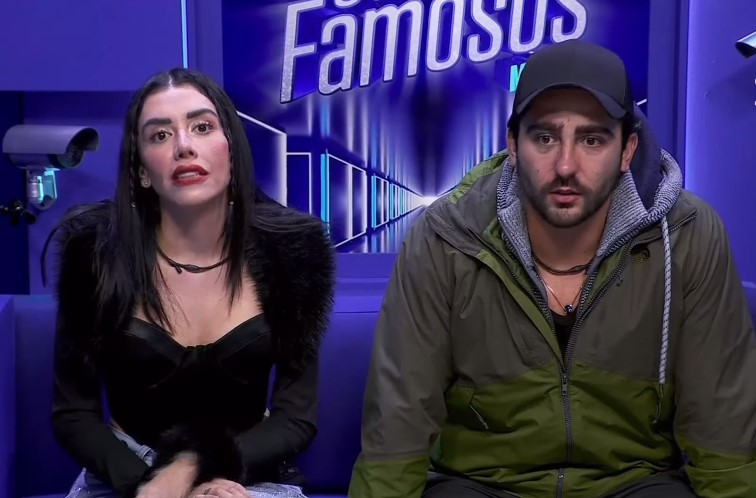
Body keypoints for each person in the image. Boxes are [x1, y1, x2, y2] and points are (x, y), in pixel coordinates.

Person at [348, 40, 756, 498]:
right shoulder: (447, 235)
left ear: (627, 150)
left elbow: (721, 425)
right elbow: (399, 420)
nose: (565, 165)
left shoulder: (687, 233)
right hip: (482, 483)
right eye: (544, 138)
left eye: (592, 140)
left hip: (633, 481)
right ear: (513, 145)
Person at [42, 68, 335, 498]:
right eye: (160, 135)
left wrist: (195, 468)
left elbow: (296, 419)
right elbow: (73, 415)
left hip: (245, 470)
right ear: (142, 171)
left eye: (202, 127)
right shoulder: (94, 252)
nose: (183, 146)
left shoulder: (293, 251)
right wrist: (148, 485)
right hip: (126, 473)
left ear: (231, 149)